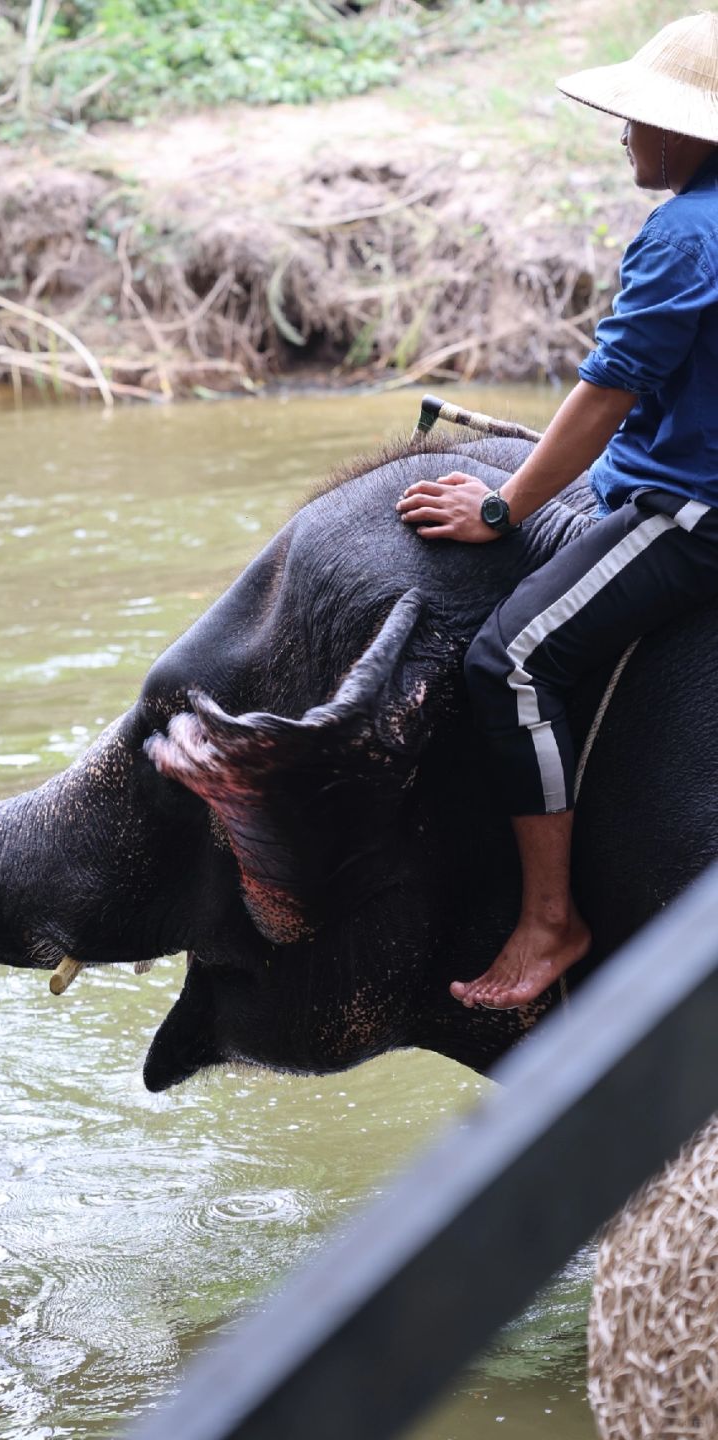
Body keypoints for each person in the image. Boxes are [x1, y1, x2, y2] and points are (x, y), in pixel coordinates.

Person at [396, 12, 718, 1010]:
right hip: (672, 479)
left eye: (642, 118)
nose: (626, 134)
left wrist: (504, 503)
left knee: (513, 661)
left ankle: (548, 921)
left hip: (697, 517)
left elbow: (613, 388)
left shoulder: (685, 231)